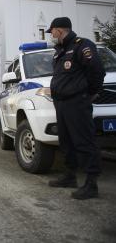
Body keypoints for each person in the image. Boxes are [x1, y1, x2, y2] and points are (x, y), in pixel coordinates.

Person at [46, 17, 105, 200]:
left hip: (77, 102)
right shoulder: (60, 51)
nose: (51, 35)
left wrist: (90, 93)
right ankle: (70, 176)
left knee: (84, 141)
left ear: (59, 30)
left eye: (52, 32)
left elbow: (96, 71)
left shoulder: (82, 45)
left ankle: (91, 183)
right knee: (67, 141)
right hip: (61, 103)